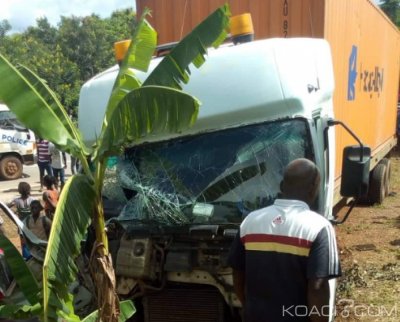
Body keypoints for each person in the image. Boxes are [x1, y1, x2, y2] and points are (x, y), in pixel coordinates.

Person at [228, 158, 341, 322]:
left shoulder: (251, 221)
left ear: (281, 186)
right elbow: (318, 287)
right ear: (313, 190)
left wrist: (249, 307)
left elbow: (237, 272)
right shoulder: (319, 227)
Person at [7, 182, 35, 259]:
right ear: (29, 189)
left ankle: (26, 257)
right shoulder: (32, 200)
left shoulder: (16, 200)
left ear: (19, 191)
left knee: (23, 242)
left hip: (21, 224)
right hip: (32, 224)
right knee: (33, 241)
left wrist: (14, 213)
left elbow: (7, 206)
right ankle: (34, 256)